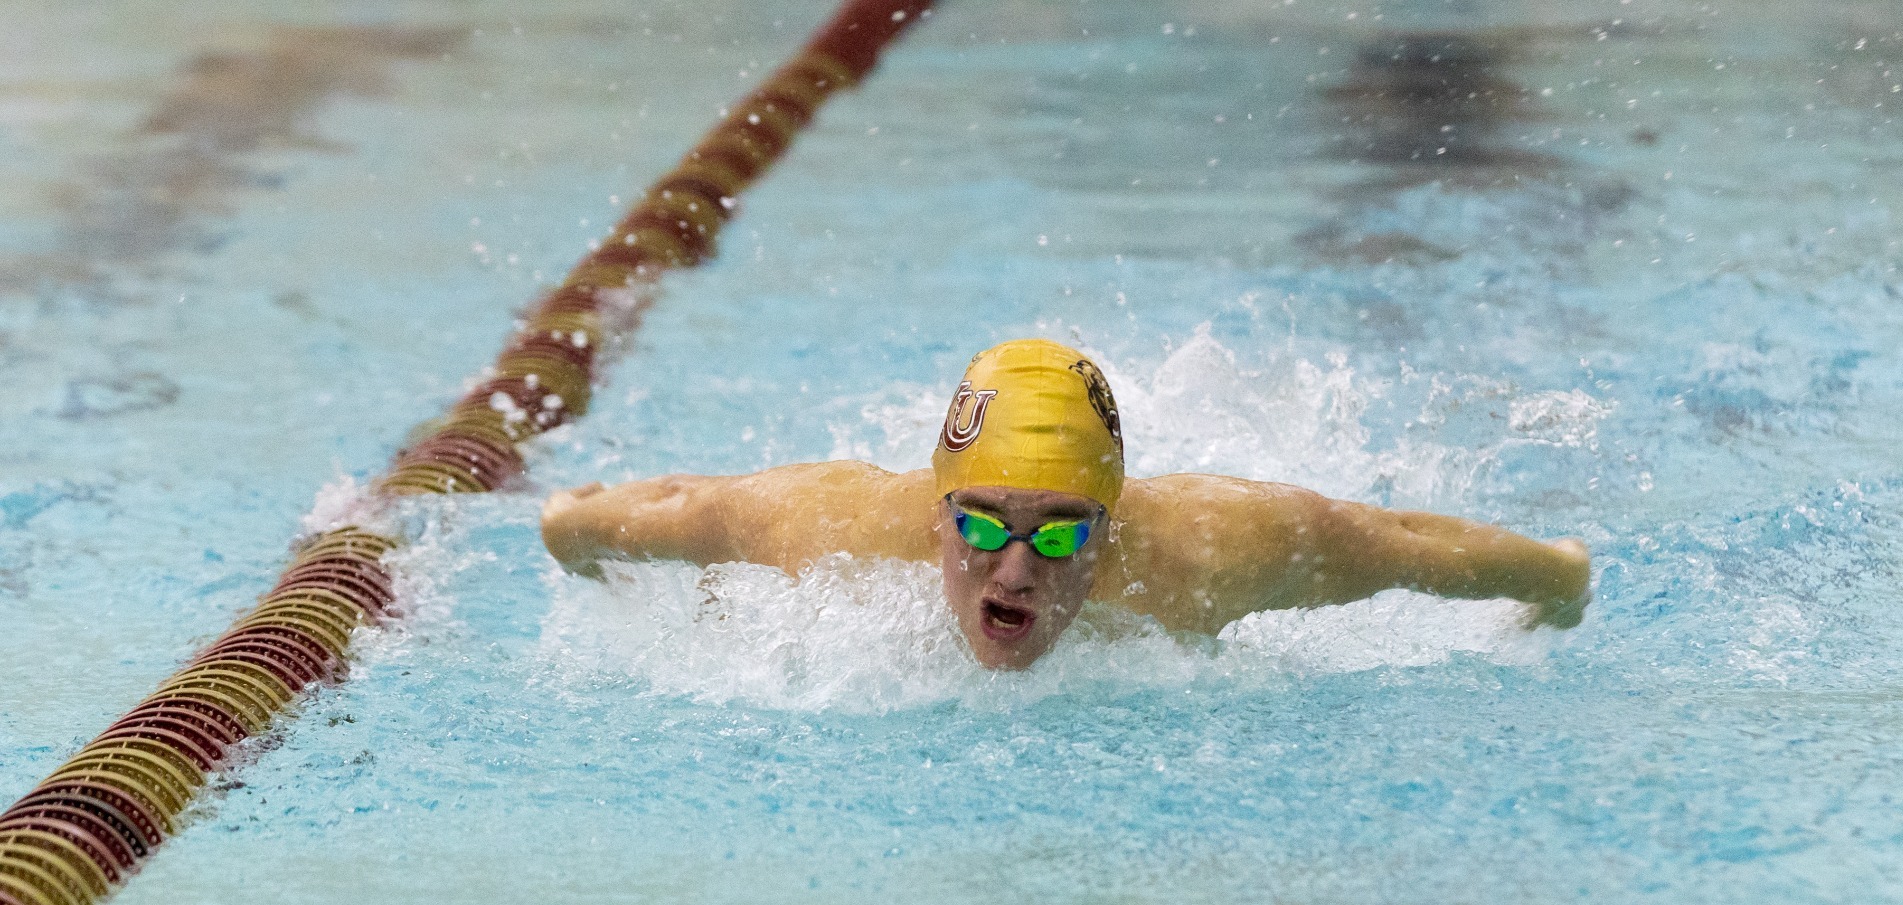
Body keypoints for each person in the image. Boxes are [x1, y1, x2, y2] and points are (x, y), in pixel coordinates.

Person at [541, 338, 1591, 669]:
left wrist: (1552, 578)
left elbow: (1399, 543)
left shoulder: (1216, 550)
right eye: (981, 525)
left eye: (1057, 532)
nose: (1014, 570)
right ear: (934, 513)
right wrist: (575, 530)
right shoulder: (829, 525)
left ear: (1110, 526)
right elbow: (680, 510)